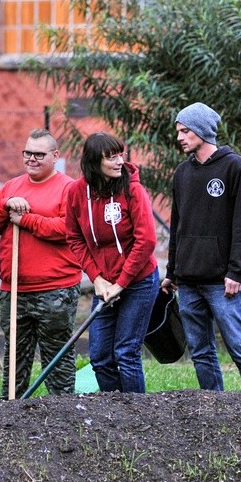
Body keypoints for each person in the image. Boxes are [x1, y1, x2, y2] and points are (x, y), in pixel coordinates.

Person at [161, 102, 241, 392]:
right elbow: (178, 227)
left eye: (185, 131)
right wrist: (172, 272)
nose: (180, 137)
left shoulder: (234, 167)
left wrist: (236, 272)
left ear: (202, 131)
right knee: (200, 353)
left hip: (222, 282)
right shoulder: (182, 173)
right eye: (178, 132)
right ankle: (215, 408)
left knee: (239, 348)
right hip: (188, 282)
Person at [0, 128, 82, 399]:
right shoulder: (11, 187)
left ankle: (62, 408)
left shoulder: (69, 188)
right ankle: (11, 406)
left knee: (57, 353)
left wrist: (26, 220)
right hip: (14, 289)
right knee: (14, 353)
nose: (32, 159)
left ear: (55, 155)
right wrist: (5, 206)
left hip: (55, 289)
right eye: (28, 153)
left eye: (39, 154)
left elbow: (68, 229)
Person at [66, 132, 159, 393]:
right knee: (99, 356)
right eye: (111, 157)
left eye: (121, 154)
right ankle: (115, 412)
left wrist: (121, 283)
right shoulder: (76, 192)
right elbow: (74, 237)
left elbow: (146, 241)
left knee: (125, 353)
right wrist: (97, 279)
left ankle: (137, 416)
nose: (119, 161)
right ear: (94, 162)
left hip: (139, 280)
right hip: (104, 283)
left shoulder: (133, 190)